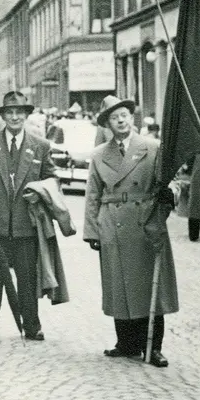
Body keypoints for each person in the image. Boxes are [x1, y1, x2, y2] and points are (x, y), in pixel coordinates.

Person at [83, 94, 178, 368]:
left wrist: (169, 197)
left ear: (132, 117)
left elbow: (171, 182)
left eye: (124, 114)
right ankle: (125, 342)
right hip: (112, 224)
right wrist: (92, 230)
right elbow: (92, 194)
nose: (120, 120)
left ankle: (153, 346)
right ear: (107, 125)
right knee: (119, 285)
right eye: (114, 117)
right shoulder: (100, 155)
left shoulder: (153, 147)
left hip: (146, 222)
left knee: (150, 287)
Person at [0, 91, 56, 342]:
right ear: (2, 115)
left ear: (26, 115)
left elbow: (53, 180)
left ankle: (32, 325)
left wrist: (40, 193)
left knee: (27, 278)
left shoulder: (40, 146)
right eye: (9, 112)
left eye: (19, 113)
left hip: (26, 225)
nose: (14, 117)